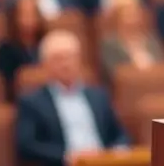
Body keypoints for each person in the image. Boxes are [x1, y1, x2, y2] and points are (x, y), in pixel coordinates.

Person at [15, 29, 130, 166]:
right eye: (58, 59)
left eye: (70, 57)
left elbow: (120, 134)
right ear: (45, 64)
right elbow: (27, 145)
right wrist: (65, 156)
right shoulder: (32, 102)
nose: (66, 64)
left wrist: (118, 150)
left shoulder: (98, 96)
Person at [98, 0, 164, 82]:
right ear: (117, 16)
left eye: (135, 13)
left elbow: (163, 66)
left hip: (155, 83)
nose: (133, 18)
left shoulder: (151, 39)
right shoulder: (110, 44)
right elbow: (113, 73)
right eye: (127, 13)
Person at [0, 0, 47, 98]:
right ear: (15, 17)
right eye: (24, 14)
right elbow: (6, 82)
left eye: (33, 14)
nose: (29, 19)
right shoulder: (6, 48)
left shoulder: (47, 44)